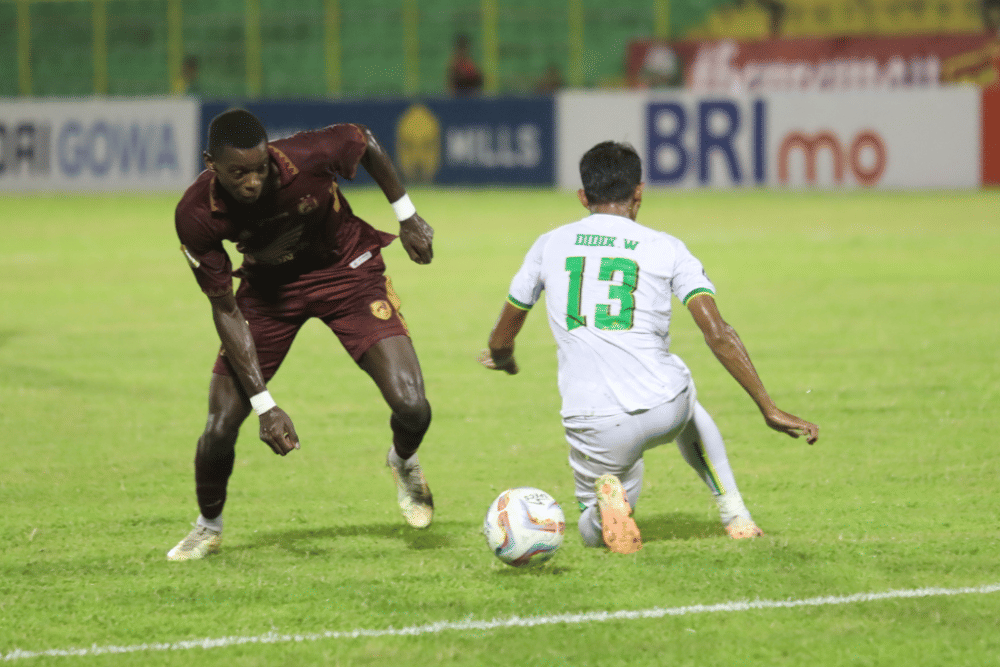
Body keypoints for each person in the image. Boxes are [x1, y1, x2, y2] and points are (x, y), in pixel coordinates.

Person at [480, 141, 818, 554]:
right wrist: (767, 406)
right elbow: (718, 333)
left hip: (593, 423)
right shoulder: (667, 247)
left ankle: (606, 505)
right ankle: (735, 514)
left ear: (583, 197)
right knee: (684, 390)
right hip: (664, 408)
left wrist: (505, 359)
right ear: (639, 192)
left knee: (592, 526)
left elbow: (501, 337)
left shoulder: (549, 244)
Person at [168, 109, 435, 561]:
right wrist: (264, 405)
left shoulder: (306, 156)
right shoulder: (196, 214)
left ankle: (403, 461)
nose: (252, 182)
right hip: (268, 292)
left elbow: (364, 137)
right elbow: (225, 308)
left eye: (259, 168)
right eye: (238, 174)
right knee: (218, 428)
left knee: (413, 405)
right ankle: (207, 527)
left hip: (347, 272)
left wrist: (406, 216)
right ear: (210, 164)